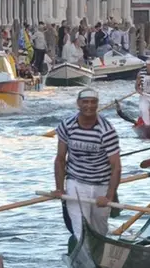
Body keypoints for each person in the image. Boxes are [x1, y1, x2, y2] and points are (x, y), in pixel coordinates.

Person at [52, 88, 121, 245]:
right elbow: (60, 159)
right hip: (76, 182)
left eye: (93, 102)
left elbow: (116, 166)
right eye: (85, 102)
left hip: (101, 184)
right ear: (78, 104)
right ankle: (84, 250)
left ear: (97, 105)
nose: (89, 106)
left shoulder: (107, 130)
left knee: (100, 231)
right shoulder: (66, 126)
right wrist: (59, 188)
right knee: (80, 228)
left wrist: (109, 196)